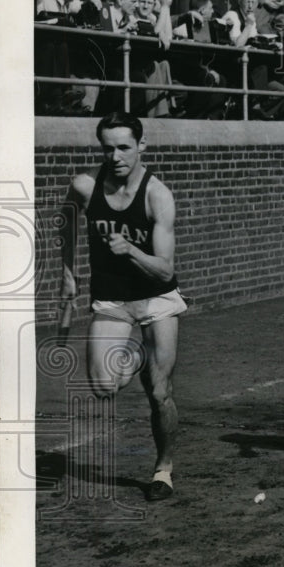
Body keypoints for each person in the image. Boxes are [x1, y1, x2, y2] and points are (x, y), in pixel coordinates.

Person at [59, 112, 185, 501]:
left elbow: (165, 271)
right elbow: (66, 219)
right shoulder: (85, 186)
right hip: (112, 299)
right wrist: (68, 272)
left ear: (141, 147)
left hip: (156, 299)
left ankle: (163, 470)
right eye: (107, 148)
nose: (115, 156)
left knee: (159, 392)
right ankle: (138, 356)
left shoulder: (157, 195)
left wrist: (130, 249)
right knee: (102, 386)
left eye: (124, 147)